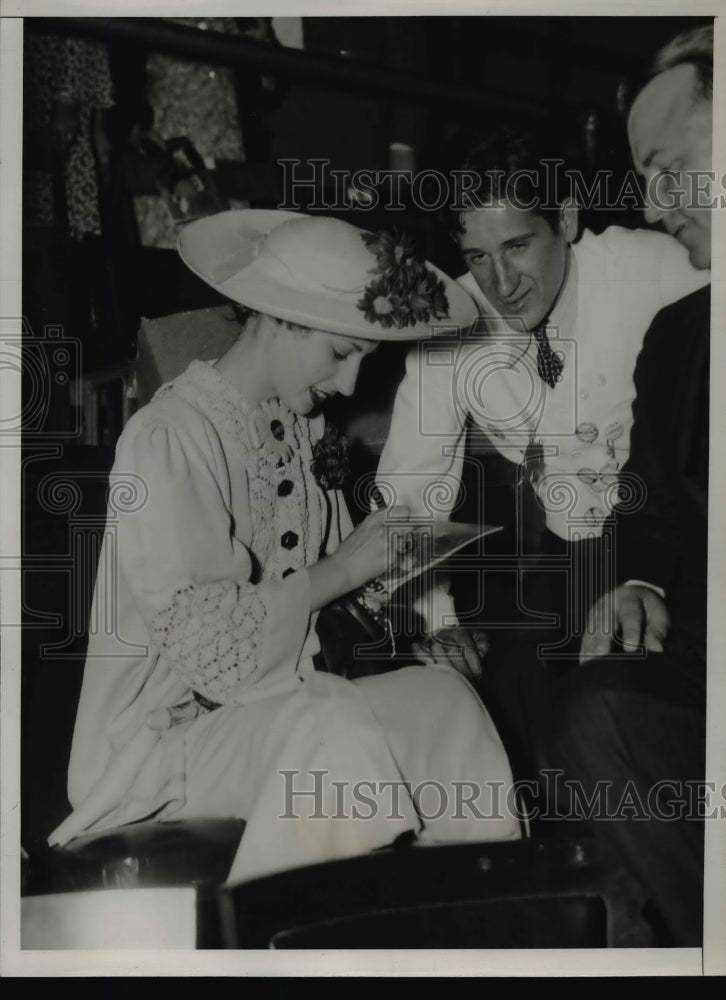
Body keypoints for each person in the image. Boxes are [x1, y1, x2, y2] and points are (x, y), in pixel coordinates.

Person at [50, 210, 519, 885]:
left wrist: (404, 623)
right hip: (162, 746)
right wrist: (346, 565)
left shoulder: (297, 434)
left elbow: (325, 620)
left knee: (444, 703)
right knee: (332, 733)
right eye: (341, 353)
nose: (353, 385)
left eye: (366, 358)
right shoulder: (168, 439)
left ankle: (495, 928)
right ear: (278, 318)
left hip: (270, 710)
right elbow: (217, 652)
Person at [376, 125, 708, 776]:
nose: (501, 282)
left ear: (566, 218)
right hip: (568, 554)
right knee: (504, 701)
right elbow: (410, 486)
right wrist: (437, 620)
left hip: (680, 540)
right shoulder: (450, 329)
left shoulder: (659, 269)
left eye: (518, 246)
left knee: (637, 706)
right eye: (476, 257)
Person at [542, 25, 713, 947]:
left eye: (666, 166)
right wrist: (639, 581)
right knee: (591, 709)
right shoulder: (680, 334)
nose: (652, 204)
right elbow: (645, 500)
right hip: (703, 654)